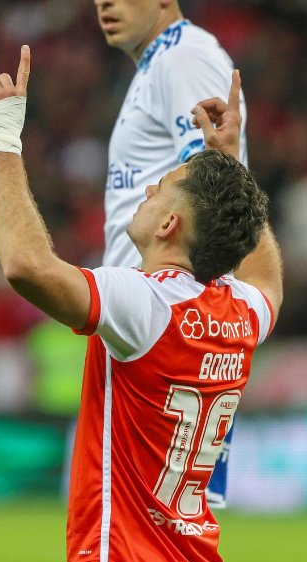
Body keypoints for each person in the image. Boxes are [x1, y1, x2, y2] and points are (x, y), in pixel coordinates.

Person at [0, 47, 281, 562]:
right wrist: (230, 161)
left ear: (169, 224)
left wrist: (3, 139)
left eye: (158, 189)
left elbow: (26, 266)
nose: (145, 193)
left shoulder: (146, 302)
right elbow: (267, 280)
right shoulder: (241, 312)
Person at [96, 0, 250, 511]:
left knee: (165, 518)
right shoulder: (159, 63)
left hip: (167, 321)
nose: (104, 2)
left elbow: (217, 188)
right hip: (151, 315)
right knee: (169, 520)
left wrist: (205, 320)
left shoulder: (184, 58)